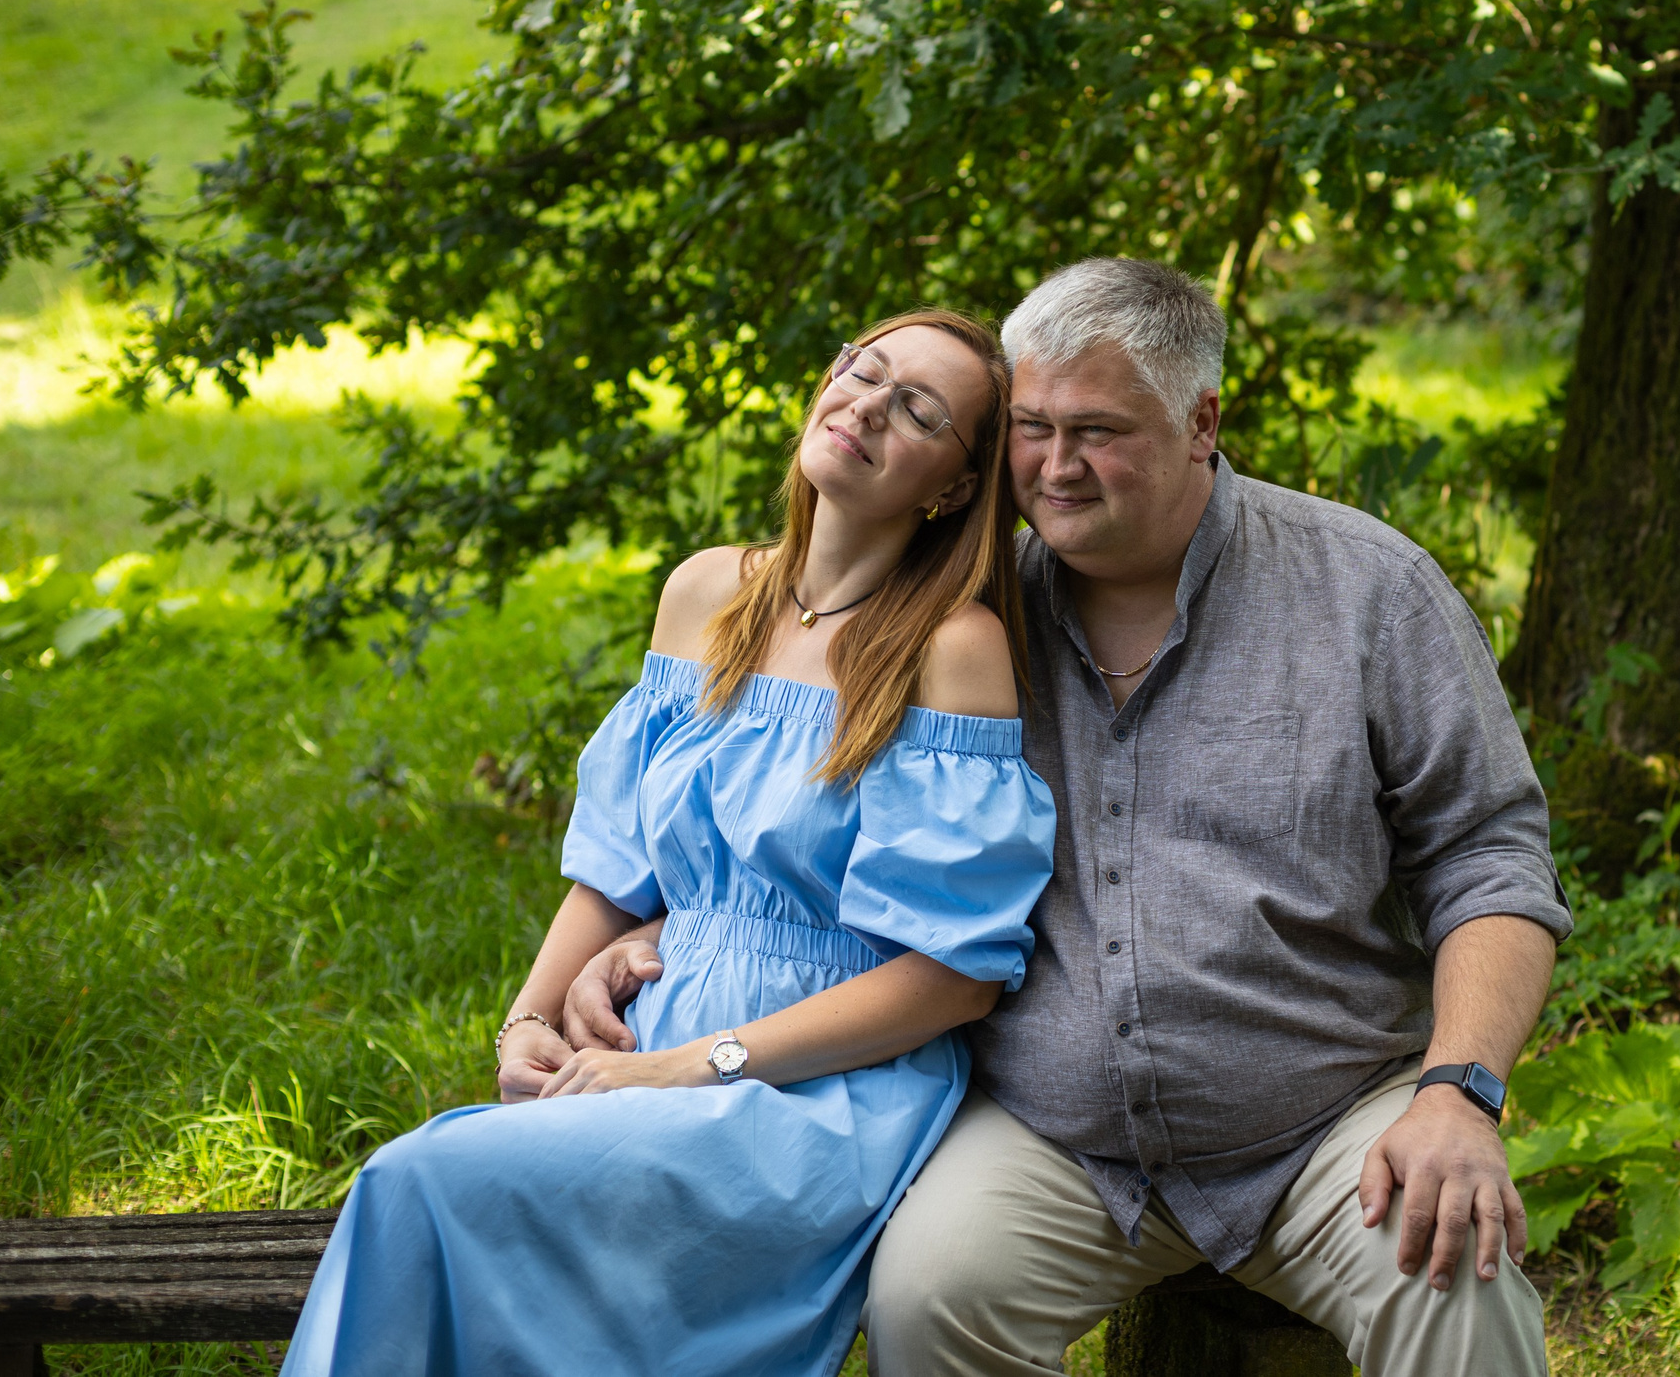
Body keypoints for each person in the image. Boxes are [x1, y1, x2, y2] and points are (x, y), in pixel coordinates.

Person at [571, 259, 1571, 1376]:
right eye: (1032, 427)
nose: (1053, 467)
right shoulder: (962, 622)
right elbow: (830, 851)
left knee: (1454, 1289)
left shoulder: (1366, 591)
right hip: (1058, 1145)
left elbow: (1490, 861)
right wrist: (667, 928)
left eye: (1097, 431)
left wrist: (1459, 1093)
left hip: (1324, 1123)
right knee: (929, 1302)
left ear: (1203, 422)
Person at [281, 309, 1057, 1377]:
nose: (867, 405)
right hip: (651, 1037)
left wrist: (694, 1067)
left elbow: (950, 980)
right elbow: (613, 871)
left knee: (422, 1180)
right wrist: (525, 1022)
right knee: (443, 1185)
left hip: (821, 1086)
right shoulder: (707, 593)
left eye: (917, 409)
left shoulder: (948, 650)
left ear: (955, 488)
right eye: (860, 370)